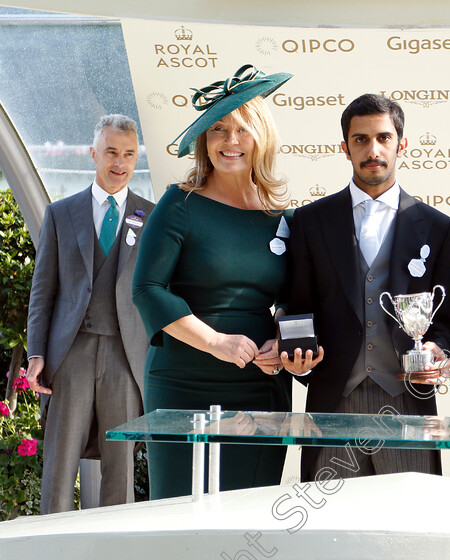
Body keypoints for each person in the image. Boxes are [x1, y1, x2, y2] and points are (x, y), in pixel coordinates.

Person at [132, 65, 314, 499]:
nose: (230, 141)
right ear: (204, 141)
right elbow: (147, 289)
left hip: (260, 386)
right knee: (176, 516)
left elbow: (293, 301)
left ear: (262, 137)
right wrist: (216, 343)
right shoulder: (180, 203)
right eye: (218, 129)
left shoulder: (283, 218)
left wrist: (281, 343)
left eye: (242, 129)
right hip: (181, 384)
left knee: (249, 510)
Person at [285, 93, 450, 481]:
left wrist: (436, 349)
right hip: (332, 400)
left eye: (383, 137)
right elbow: (297, 305)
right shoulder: (310, 221)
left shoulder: (437, 226)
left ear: (402, 144)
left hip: (407, 401)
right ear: (345, 148)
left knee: (411, 520)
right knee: (328, 529)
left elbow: (446, 321)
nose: (373, 149)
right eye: (360, 139)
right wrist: (297, 359)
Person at [25, 114, 155, 513]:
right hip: (71, 355)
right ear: (93, 153)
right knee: (60, 465)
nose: (120, 162)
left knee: (121, 471)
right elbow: (42, 293)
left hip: (126, 357)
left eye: (129, 154)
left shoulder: (152, 216)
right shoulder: (61, 214)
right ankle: (53, 546)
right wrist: (36, 355)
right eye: (112, 152)